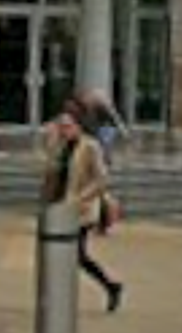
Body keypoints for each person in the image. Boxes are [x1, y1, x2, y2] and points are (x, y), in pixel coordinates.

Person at [43, 106, 124, 312]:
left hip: (80, 210)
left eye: (67, 126)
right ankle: (109, 287)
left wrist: (80, 199)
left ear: (78, 126)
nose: (63, 130)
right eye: (60, 126)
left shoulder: (90, 146)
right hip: (58, 208)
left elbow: (101, 179)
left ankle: (110, 287)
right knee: (66, 254)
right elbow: (52, 174)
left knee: (74, 255)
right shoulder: (60, 145)